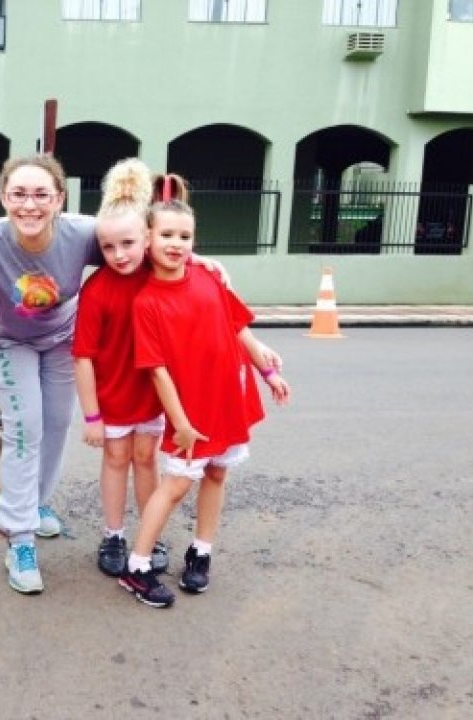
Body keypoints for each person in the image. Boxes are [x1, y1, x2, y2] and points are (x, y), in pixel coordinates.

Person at [0, 154, 236, 594]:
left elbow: (146, 240)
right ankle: (19, 537)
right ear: (3, 197)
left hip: (59, 337)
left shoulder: (83, 233)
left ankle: (36, 503)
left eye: (41, 194)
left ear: (59, 198)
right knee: (25, 427)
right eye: (18, 194)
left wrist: (196, 259)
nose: (30, 205)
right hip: (7, 339)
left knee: (57, 422)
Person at [120, 173, 291, 608]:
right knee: (176, 485)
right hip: (190, 410)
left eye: (185, 236)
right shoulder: (146, 302)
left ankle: (201, 551)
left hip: (228, 397)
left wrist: (267, 370)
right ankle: (137, 566)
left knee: (217, 473)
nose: (176, 244)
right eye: (167, 235)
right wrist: (180, 423)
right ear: (147, 238)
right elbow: (157, 372)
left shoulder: (209, 277)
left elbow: (238, 328)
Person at [72, 158, 169, 579]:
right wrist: (92, 416)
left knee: (146, 458)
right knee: (116, 458)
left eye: (128, 243)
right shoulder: (96, 289)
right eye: (108, 247)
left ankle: (151, 530)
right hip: (111, 396)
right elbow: (82, 356)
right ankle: (113, 534)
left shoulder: (161, 275)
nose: (119, 254)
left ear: (147, 237)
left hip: (153, 392)